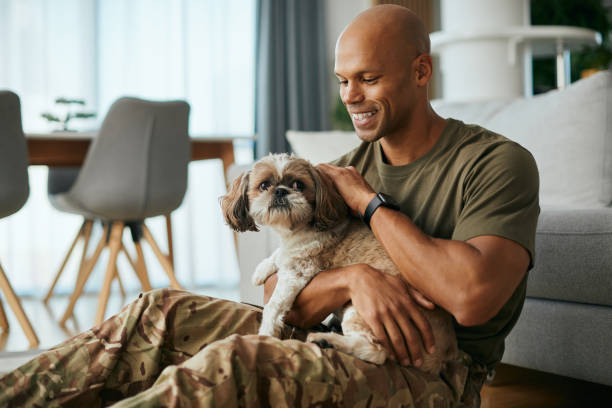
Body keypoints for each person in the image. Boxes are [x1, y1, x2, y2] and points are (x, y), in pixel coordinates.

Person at [0, 4, 538, 407]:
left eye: (368, 79)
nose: (351, 96)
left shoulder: (494, 163)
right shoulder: (342, 166)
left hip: (432, 374)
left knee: (238, 363)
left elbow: (472, 297)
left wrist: (370, 205)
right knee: (157, 311)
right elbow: (276, 291)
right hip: (330, 333)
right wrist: (354, 279)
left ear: (421, 72)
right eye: (343, 81)